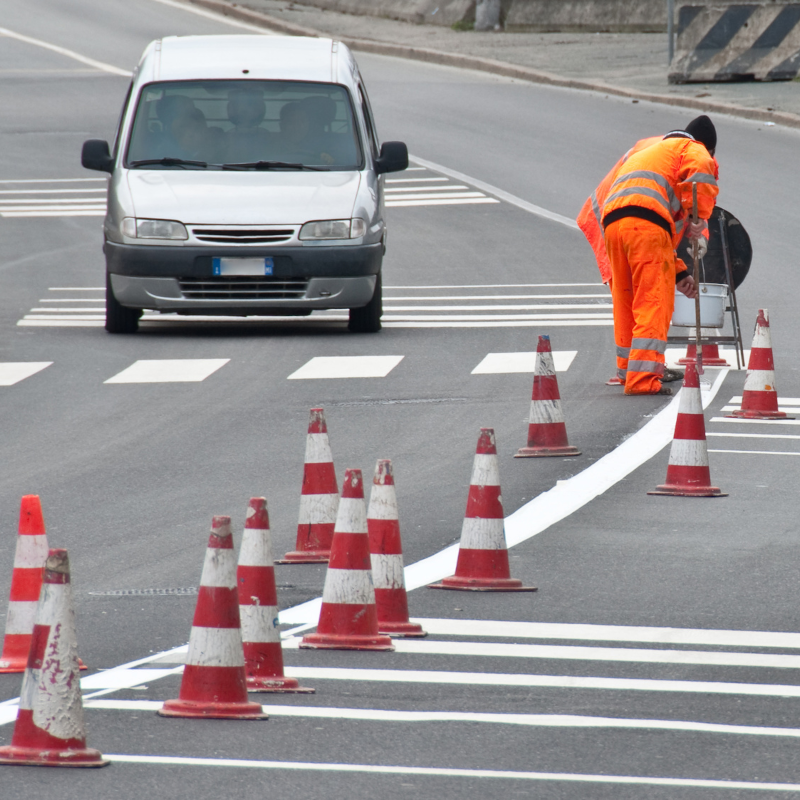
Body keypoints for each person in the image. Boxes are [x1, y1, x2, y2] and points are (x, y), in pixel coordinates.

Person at [582, 116, 718, 395]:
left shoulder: (649, 151)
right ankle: (643, 380)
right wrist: (698, 216)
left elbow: (657, 233)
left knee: (626, 299)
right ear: (706, 146)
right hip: (645, 226)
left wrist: (679, 272)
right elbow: (702, 170)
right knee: (653, 301)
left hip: (615, 226)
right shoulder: (691, 148)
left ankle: (626, 371)